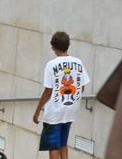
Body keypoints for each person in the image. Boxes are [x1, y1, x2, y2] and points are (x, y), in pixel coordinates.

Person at [33, 31, 89, 159]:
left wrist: (37, 112)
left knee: (53, 145)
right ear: (68, 45)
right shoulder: (78, 62)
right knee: (63, 143)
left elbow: (48, 91)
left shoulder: (51, 65)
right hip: (70, 110)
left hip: (54, 112)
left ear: (53, 46)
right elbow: (82, 86)